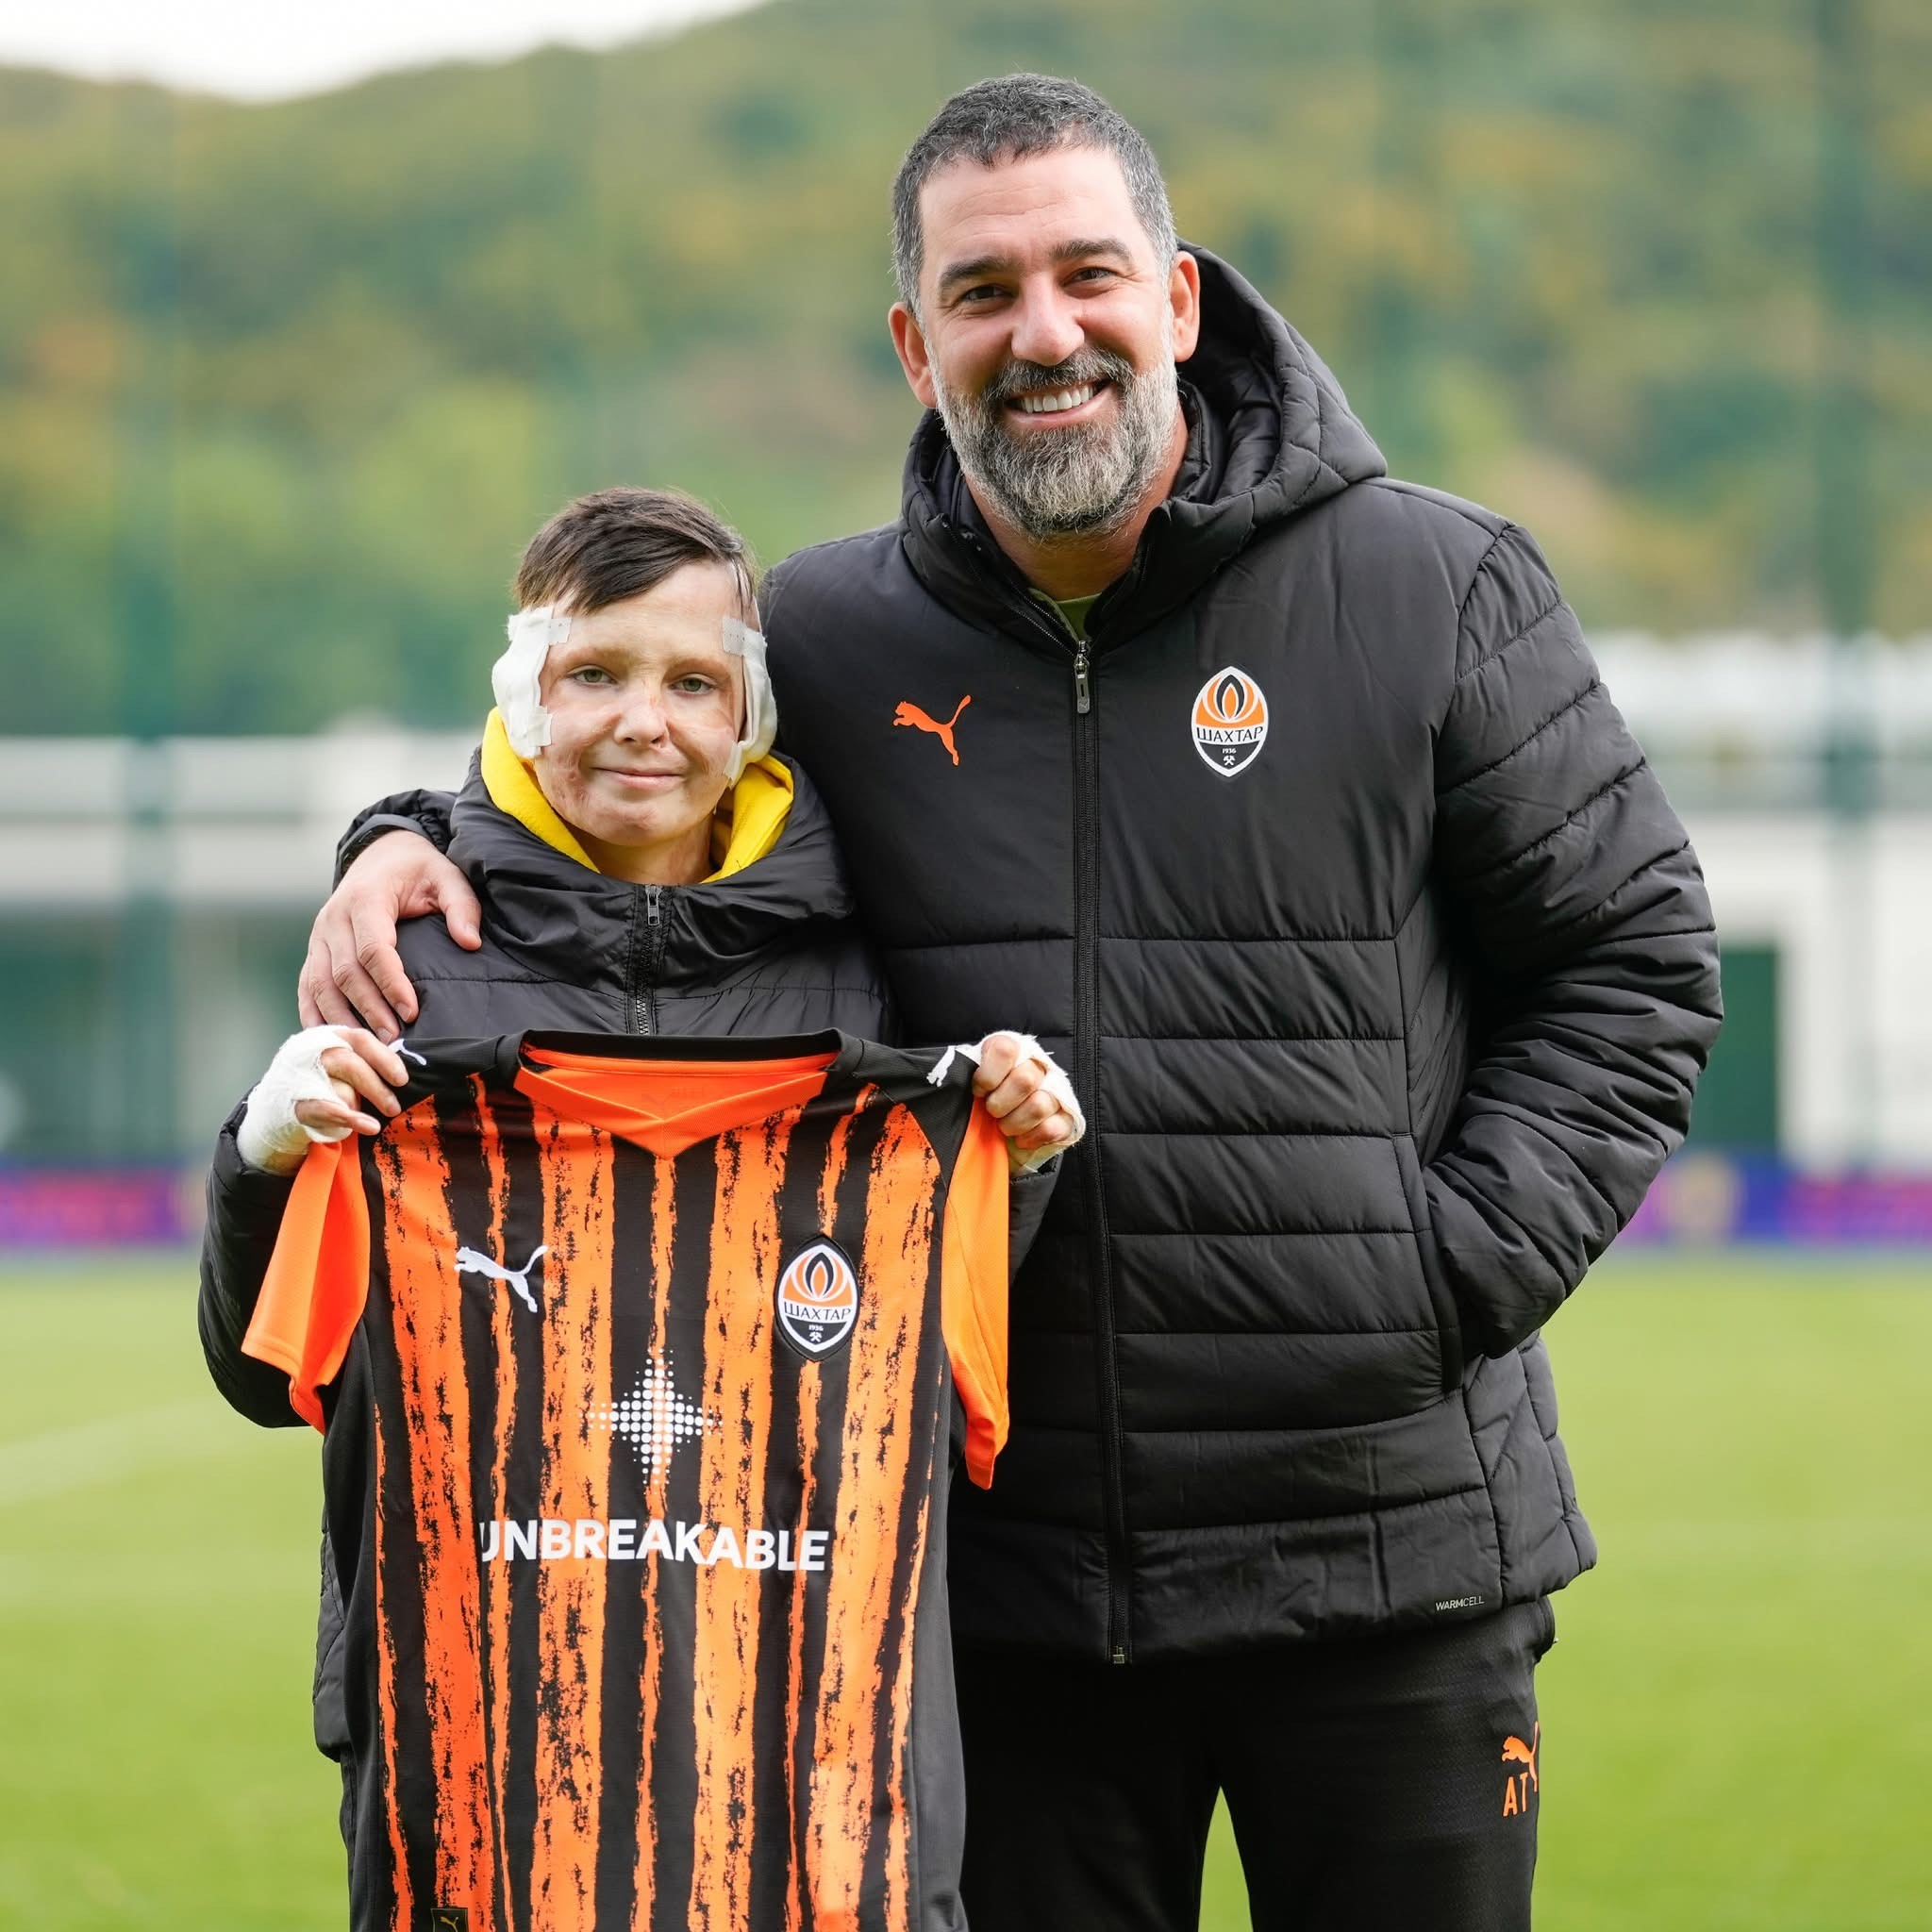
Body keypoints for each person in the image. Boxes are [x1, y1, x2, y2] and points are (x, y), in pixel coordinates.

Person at [296, 76, 1722, 1932]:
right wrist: (403, 832)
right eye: (981, 294)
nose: (1041, 334)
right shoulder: (818, 644)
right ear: (915, 342)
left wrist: (1440, 1267)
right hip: (987, 1602)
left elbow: (1633, 954)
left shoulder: (1433, 584)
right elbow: (604, 777)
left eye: (1084, 275)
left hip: (1386, 1560)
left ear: (1179, 299)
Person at [197, 485, 1083, 1885]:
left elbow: (927, 1321)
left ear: (752, 713)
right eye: (593, 674)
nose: (643, 720)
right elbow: (263, 1373)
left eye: (691, 680)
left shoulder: (880, 950)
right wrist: (268, 1146)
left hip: (814, 1744)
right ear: (526, 695)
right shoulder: (406, 969)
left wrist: (1010, 1161)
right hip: (482, 1748)